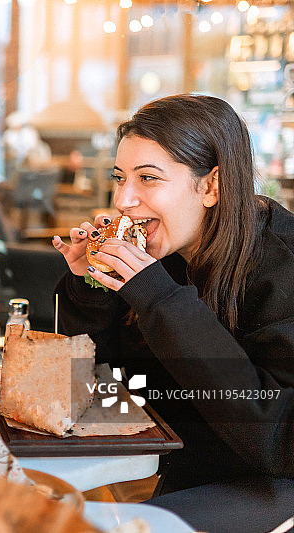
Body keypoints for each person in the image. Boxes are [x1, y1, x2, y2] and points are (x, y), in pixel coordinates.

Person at [52, 94, 294, 532]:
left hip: (274, 489)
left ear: (211, 186)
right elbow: (108, 395)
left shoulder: (283, 266)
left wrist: (160, 300)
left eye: (148, 178)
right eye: (119, 177)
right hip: (179, 473)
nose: (124, 198)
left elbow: (276, 436)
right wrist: (93, 289)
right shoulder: (165, 256)